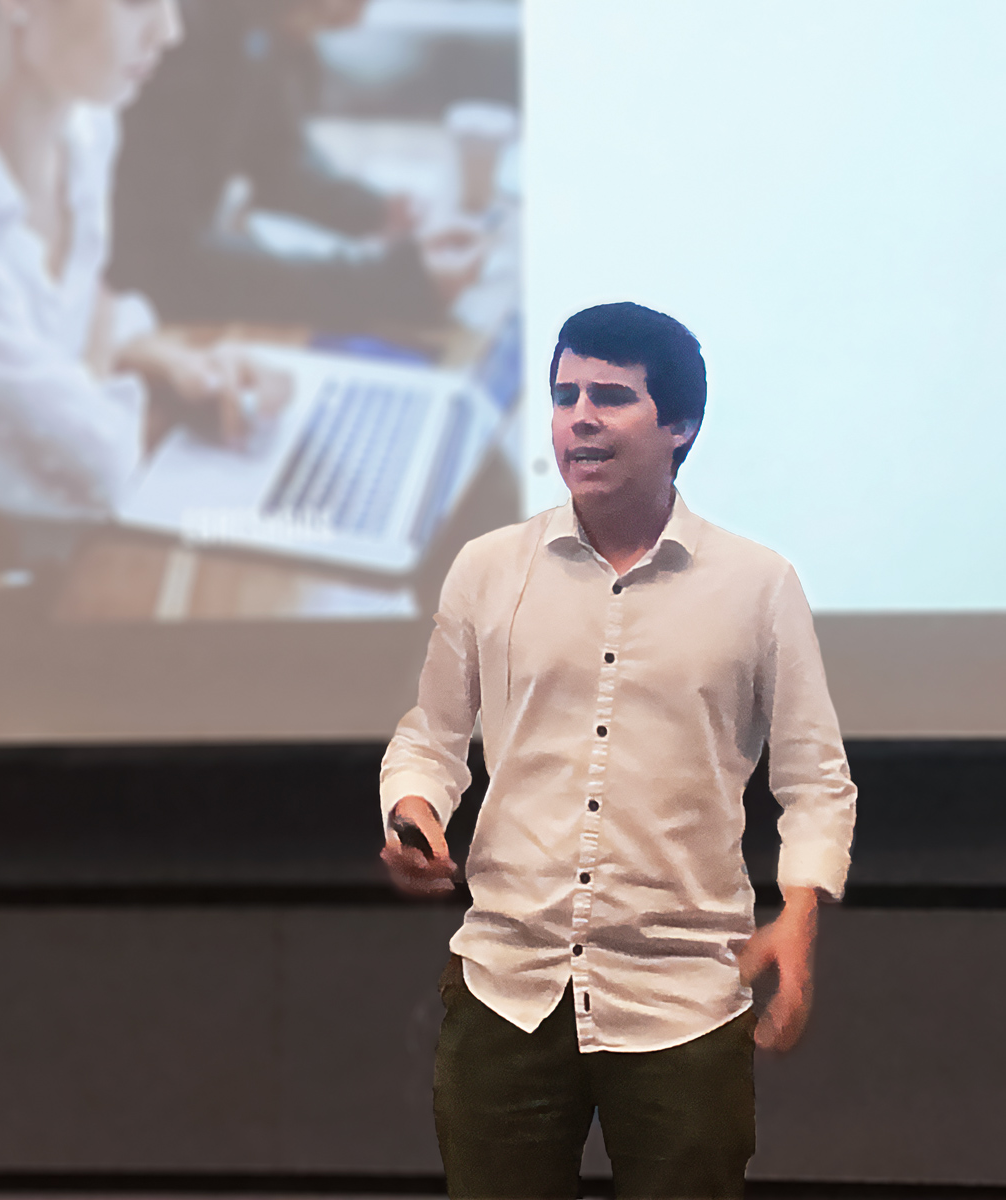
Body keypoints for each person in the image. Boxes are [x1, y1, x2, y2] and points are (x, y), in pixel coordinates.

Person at [380, 302, 857, 1200]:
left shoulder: (758, 584)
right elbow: (431, 737)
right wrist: (414, 809)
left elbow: (815, 781)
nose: (579, 418)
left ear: (680, 425)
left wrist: (798, 915)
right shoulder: (489, 566)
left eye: (610, 396)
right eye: (564, 396)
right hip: (504, 989)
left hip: (681, 998)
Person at [0, 0, 287, 522]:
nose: (170, 32)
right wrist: (95, 373)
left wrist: (172, 361)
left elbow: (75, 313)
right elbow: (100, 466)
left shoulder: (89, 129)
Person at [109, 0, 483, 330]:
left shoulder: (254, 21)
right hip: (128, 320)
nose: (355, 22)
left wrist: (375, 212)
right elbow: (169, 269)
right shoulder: (182, 35)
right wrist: (393, 285)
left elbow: (271, 151)